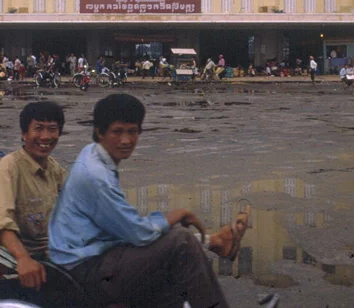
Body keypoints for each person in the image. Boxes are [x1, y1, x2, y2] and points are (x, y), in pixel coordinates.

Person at [48, 94, 250, 308]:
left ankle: (215, 243)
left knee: (168, 263)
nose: (126, 141)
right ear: (100, 132)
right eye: (117, 132)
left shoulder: (91, 153)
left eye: (132, 131)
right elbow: (138, 233)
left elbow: (127, 228)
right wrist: (178, 214)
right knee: (180, 241)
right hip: (84, 271)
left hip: (89, 258)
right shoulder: (96, 176)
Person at [0, 102, 67, 292]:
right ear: (24, 134)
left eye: (52, 129)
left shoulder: (52, 166)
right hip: (29, 258)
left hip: (57, 251)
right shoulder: (10, 165)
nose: (45, 136)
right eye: (38, 129)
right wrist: (23, 258)